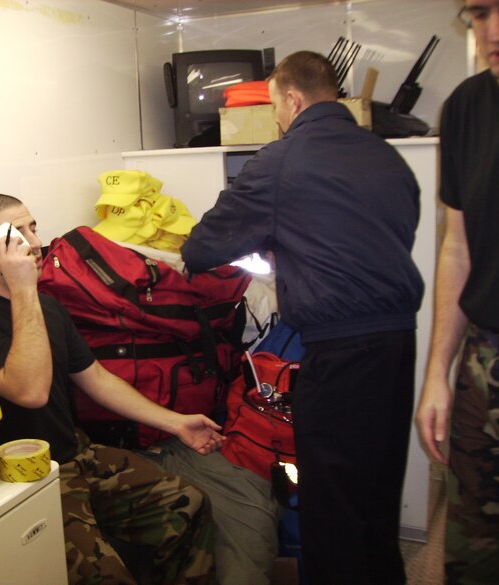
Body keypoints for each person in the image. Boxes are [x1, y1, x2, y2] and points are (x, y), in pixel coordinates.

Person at [181, 51, 424, 585]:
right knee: (377, 496)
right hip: (397, 344)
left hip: (338, 354)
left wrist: (274, 241)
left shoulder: (281, 158)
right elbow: (386, 237)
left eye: (274, 107)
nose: (275, 119)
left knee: (329, 507)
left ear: (291, 100)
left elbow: (202, 247)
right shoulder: (386, 156)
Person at [0, 193, 222, 585]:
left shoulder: (48, 308)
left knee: (188, 504)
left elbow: (96, 378)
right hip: (20, 476)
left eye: (33, 228)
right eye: (14, 235)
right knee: (103, 576)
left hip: (76, 452)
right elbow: (31, 392)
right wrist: (23, 290)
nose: (35, 243)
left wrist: (175, 423)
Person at [414, 1, 499, 583]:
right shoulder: (464, 108)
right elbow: (458, 246)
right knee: (477, 556)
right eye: (479, 13)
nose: (495, 32)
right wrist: (439, 372)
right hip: (484, 363)